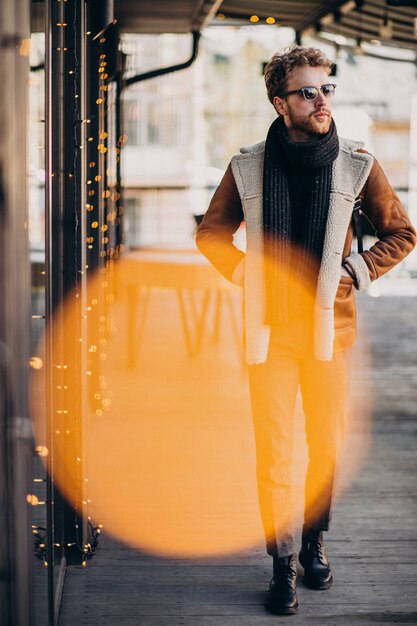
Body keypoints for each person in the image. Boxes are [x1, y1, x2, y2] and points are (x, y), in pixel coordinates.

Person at [195, 46, 416, 615]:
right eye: (308, 92)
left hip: (329, 337)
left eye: (327, 89)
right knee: (273, 454)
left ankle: (315, 544)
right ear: (280, 102)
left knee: (323, 449)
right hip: (269, 335)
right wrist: (248, 275)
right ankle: (281, 565)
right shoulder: (247, 165)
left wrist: (355, 270)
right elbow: (212, 235)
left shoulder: (357, 163)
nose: (322, 100)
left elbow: (401, 232)